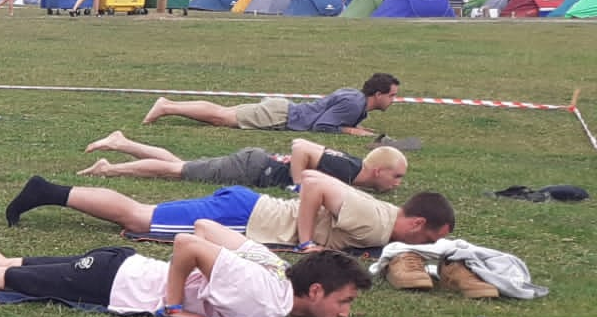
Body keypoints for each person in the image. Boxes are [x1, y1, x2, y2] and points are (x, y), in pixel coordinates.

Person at [0, 216, 370, 317]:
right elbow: (191, 242)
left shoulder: (275, 270)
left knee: (1, 261)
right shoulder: (266, 298)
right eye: (344, 302)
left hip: (118, 267)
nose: (344, 313)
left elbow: (211, 228)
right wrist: (174, 303)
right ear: (316, 289)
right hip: (113, 280)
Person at [3, 171, 455, 252]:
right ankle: (46, 191)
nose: (425, 244)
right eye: (428, 238)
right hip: (247, 217)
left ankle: (49, 192)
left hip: (248, 212)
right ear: (416, 222)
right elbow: (315, 184)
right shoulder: (377, 222)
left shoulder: (384, 227)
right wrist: (304, 239)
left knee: (142, 215)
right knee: (138, 218)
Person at [78, 131, 408, 192]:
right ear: (378, 170)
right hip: (253, 167)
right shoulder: (350, 170)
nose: (398, 183)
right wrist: (296, 183)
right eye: (396, 177)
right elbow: (301, 145)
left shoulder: (353, 170)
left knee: (183, 165)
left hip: (254, 162)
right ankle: (110, 167)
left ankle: (121, 142)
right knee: (177, 171)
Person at [143, 73, 400, 138]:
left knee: (223, 113)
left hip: (283, 110)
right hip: (282, 115)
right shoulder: (354, 104)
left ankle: (169, 105)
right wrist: (353, 131)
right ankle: (166, 107)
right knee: (221, 117)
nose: (393, 101)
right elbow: (323, 126)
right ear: (377, 94)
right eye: (391, 96)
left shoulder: (355, 98)